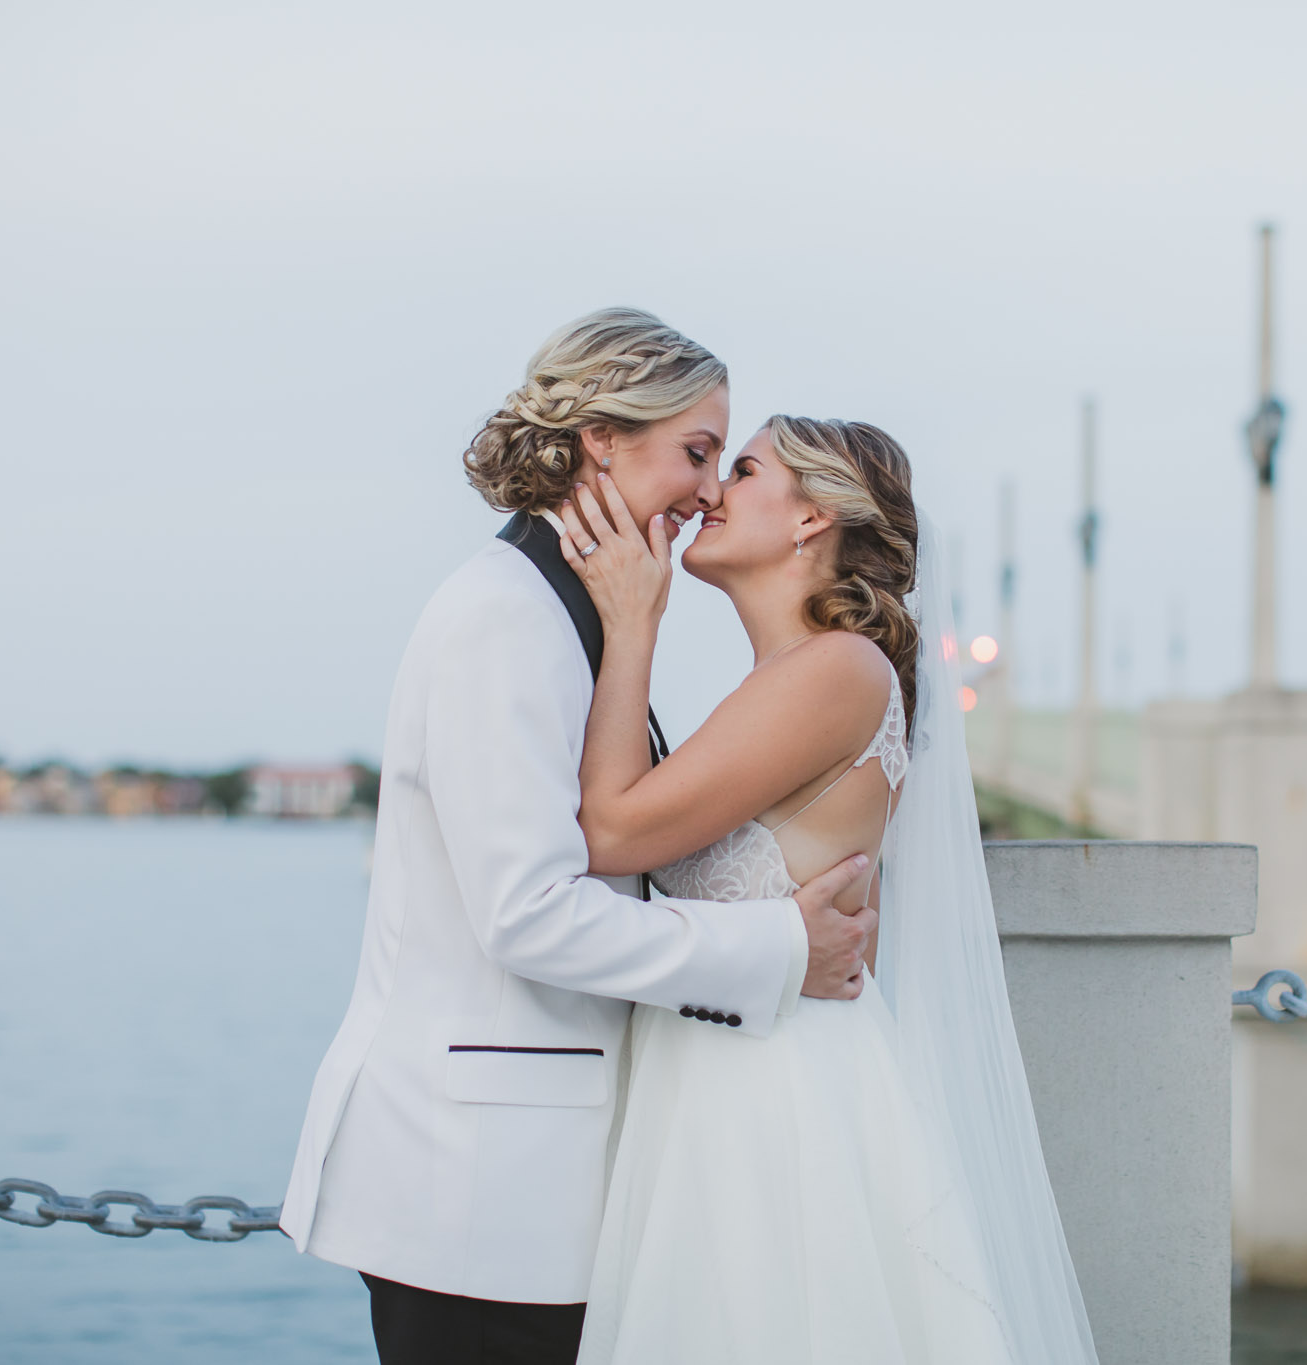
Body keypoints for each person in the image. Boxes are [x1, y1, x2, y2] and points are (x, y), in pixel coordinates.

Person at [277, 310, 877, 1365]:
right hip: (474, 1188)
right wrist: (780, 947)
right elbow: (526, 916)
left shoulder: (572, 615)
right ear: (602, 437)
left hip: (534, 1178)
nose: (703, 493)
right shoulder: (506, 617)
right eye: (696, 453)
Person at [553, 417, 1100, 1364]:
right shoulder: (787, 679)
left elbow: (609, 833)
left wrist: (631, 622)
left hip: (777, 1105)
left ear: (812, 516)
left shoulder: (839, 670)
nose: (710, 489)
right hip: (718, 1089)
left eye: (746, 466)